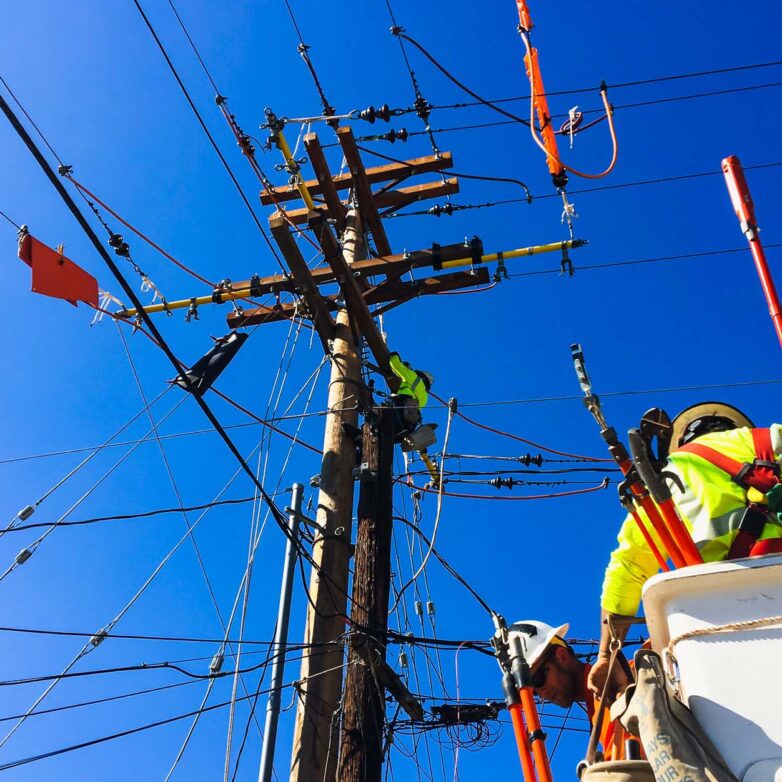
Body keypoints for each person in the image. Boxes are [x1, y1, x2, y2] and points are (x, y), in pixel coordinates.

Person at [590, 402, 782, 696]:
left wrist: (607, 654)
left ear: (681, 440)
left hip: (721, 623)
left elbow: (629, 566)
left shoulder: (670, 474)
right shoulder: (771, 439)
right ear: (735, 426)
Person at [509, 620, 636, 761]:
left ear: (562, 656)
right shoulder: (595, 707)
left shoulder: (616, 685)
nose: (541, 694)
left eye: (538, 679)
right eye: (533, 692)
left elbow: (627, 766)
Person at [388, 351, 434, 443]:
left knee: (377, 415)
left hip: (399, 409)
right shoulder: (425, 397)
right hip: (409, 424)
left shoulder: (413, 377)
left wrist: (395, 355)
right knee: (387, 438)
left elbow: (395, 365)